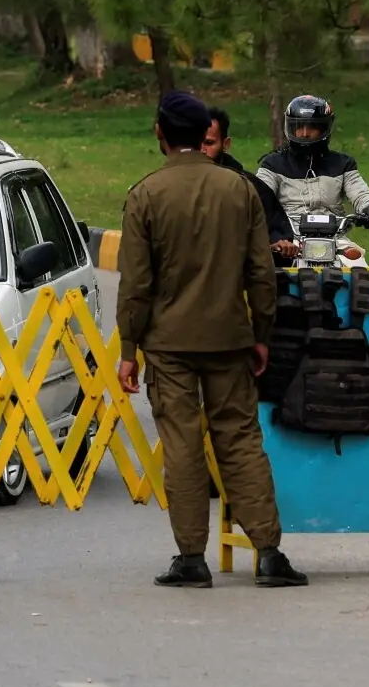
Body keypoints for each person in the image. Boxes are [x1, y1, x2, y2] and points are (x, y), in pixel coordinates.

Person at [116, 91, 308, 589]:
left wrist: (128, 349)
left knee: (181, 445)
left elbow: (135, 285)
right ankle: (268, 552)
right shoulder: (238, 190)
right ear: (206, 135)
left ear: (160, 132)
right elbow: (260, 273)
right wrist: (260, 333)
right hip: (230, 338)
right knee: (241, 440)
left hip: (169, 343)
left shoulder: (145, 194)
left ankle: (191, 557)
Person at [255, 94, 369, 262]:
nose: (304, 133)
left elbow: (360, 193)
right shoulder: (273, 165)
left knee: (359, 270)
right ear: (289, 127)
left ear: (324, 128)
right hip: (288, 242)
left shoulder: (343, 164)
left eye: (311, 127)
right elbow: (258, 197)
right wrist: (274, 234)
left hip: (335, 240)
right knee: (268, 276)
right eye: (299, 127)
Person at [204, 107, 294, 259]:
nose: (201, 150)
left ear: (225, 144)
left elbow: (277, 235)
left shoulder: (252, 188)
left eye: (208, 143)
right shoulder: (172, 187)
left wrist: (277, 246)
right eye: (194, 142)